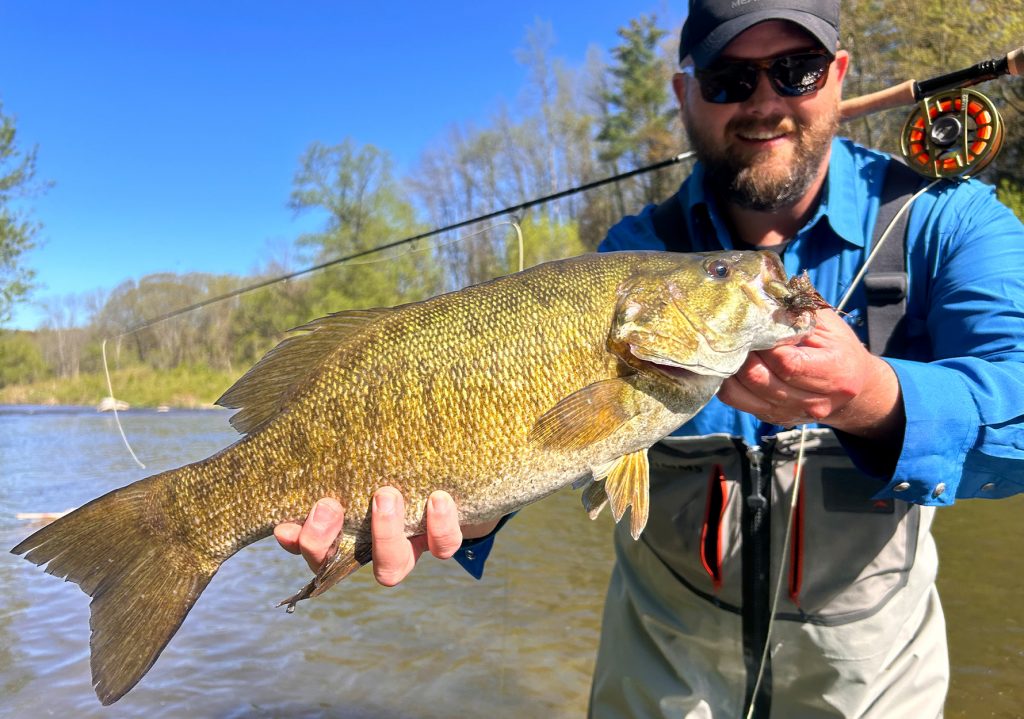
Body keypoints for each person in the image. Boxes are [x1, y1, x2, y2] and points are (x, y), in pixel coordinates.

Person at [276, 1, 1024, 716]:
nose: (764, 101)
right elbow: (522, 438)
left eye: (795, 70)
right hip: (661, 675)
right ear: (684, 93)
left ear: (838, 74)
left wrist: (873, 398)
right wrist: (470, 518)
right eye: (729, 79)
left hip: (871, 683)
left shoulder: (945, 221)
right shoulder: (630, 254)